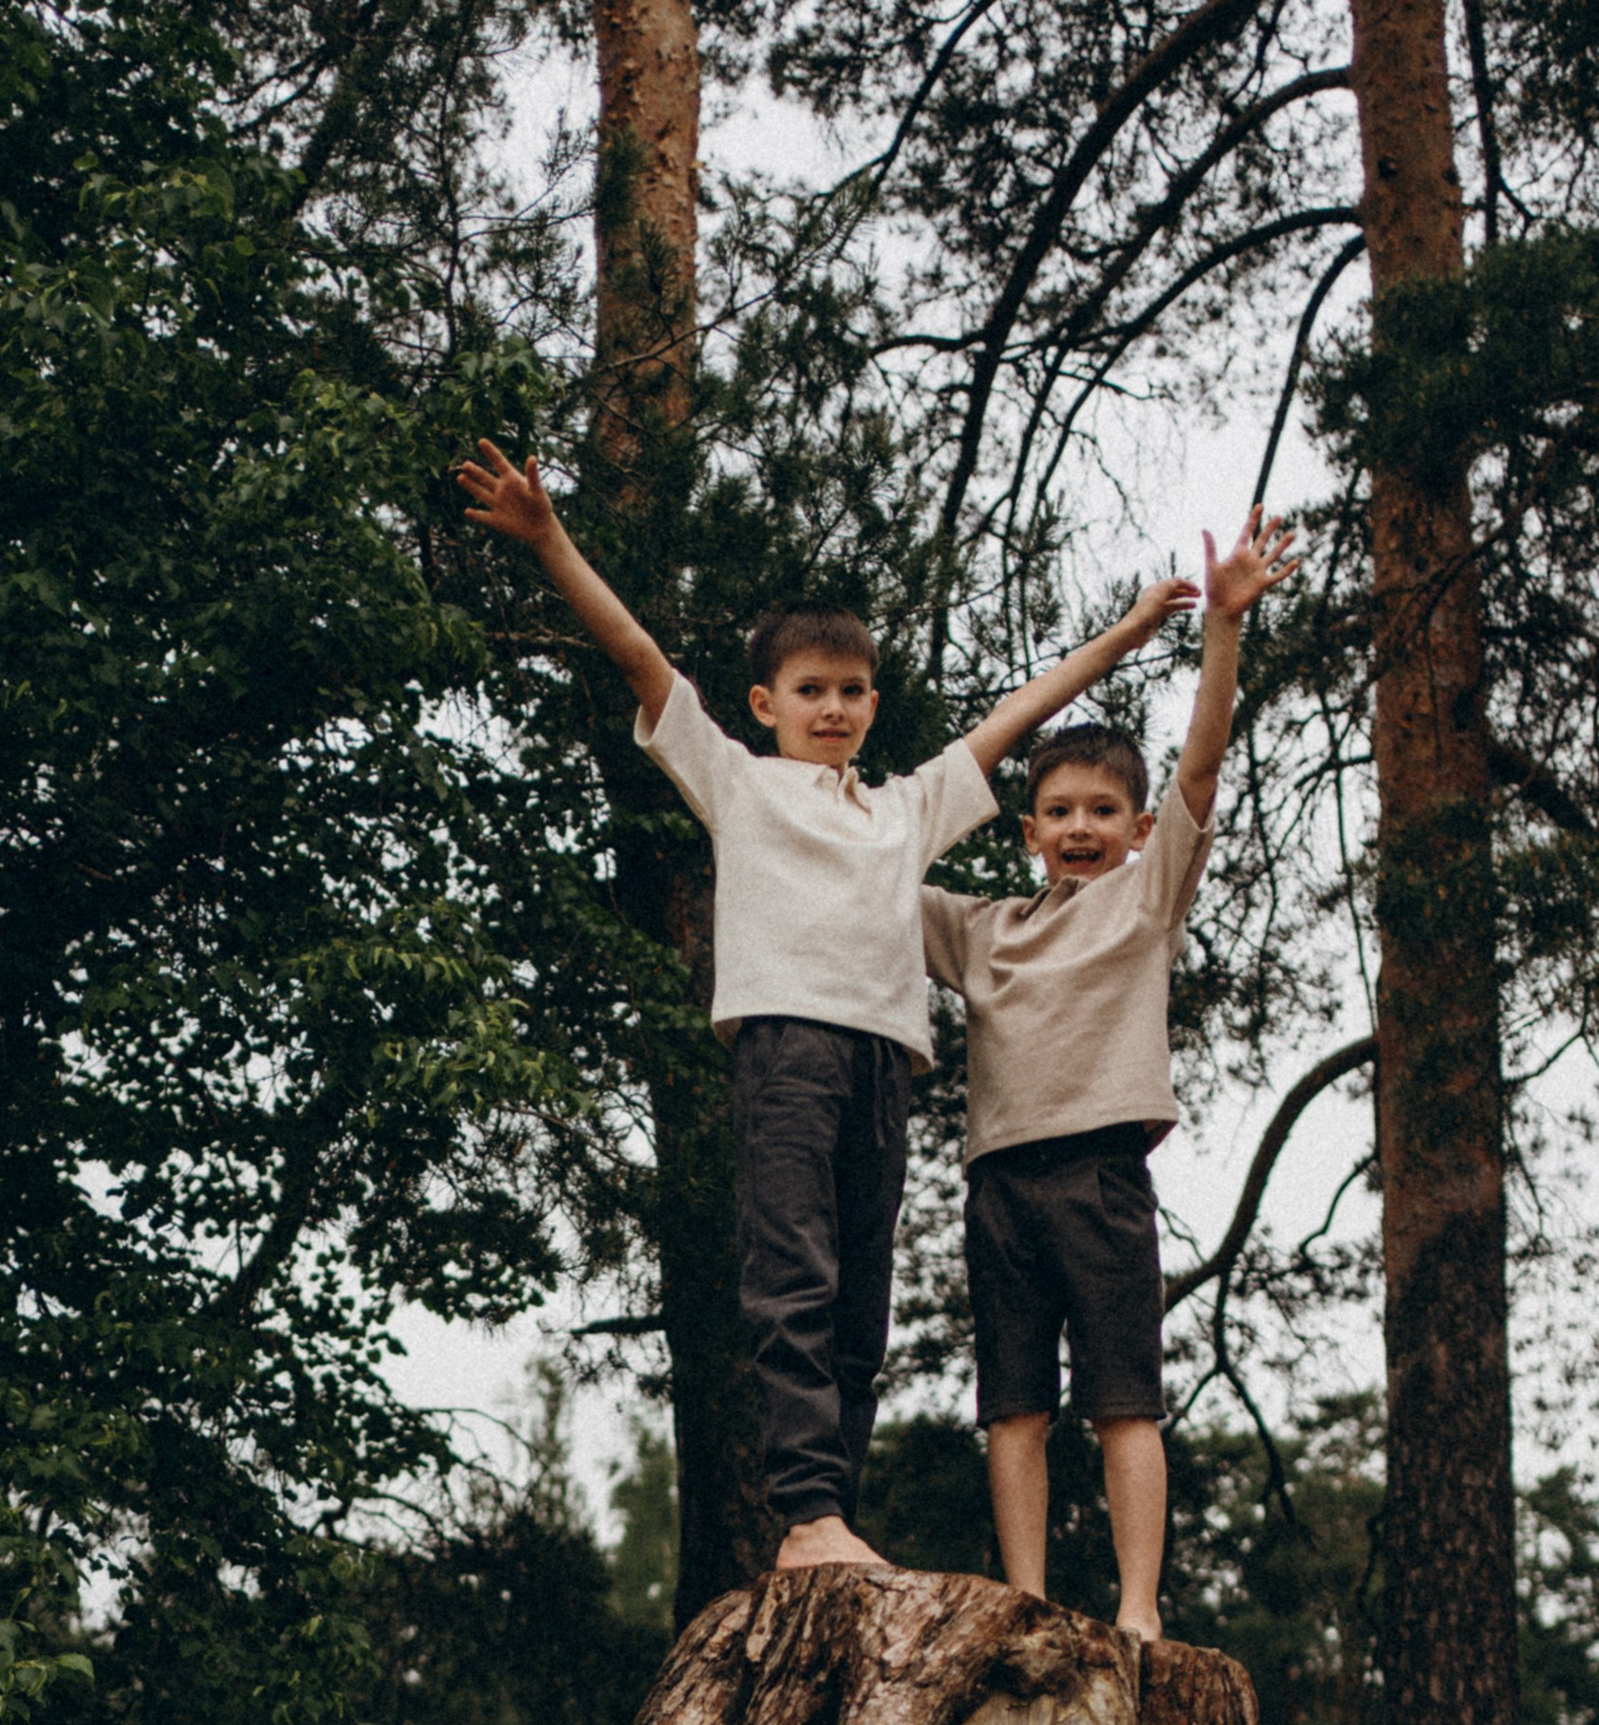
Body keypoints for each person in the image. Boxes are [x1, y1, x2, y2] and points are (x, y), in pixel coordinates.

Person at [456, 439, 1201, 1574]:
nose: (835, 708)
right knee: (791, 1274)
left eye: (853, 691)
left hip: (883, 1068)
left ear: (873, 702)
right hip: (787, 1054)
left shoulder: (906, 810)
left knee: (860, 1298)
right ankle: (802, 1510)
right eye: (811, 691)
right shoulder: (739, 784)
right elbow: (641, 658)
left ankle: (832, 1519)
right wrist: (551, 540)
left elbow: (1017, 714)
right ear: (765, 704)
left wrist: (1130, 633)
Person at [922, 512, 1299, 1639]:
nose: (1078, 829)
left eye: (1100, 813)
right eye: (1057, 813)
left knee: (1123, 1402)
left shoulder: (1145, 901)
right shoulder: (982, 930)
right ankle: (1027, 1604)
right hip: (998, 1186)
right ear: (1026, 829)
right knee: (1014, 1409)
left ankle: (1137, 1607)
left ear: (1136, 831)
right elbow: (877, 863)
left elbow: (1202, 759)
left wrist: (1220, 630)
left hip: (1098, 1177)